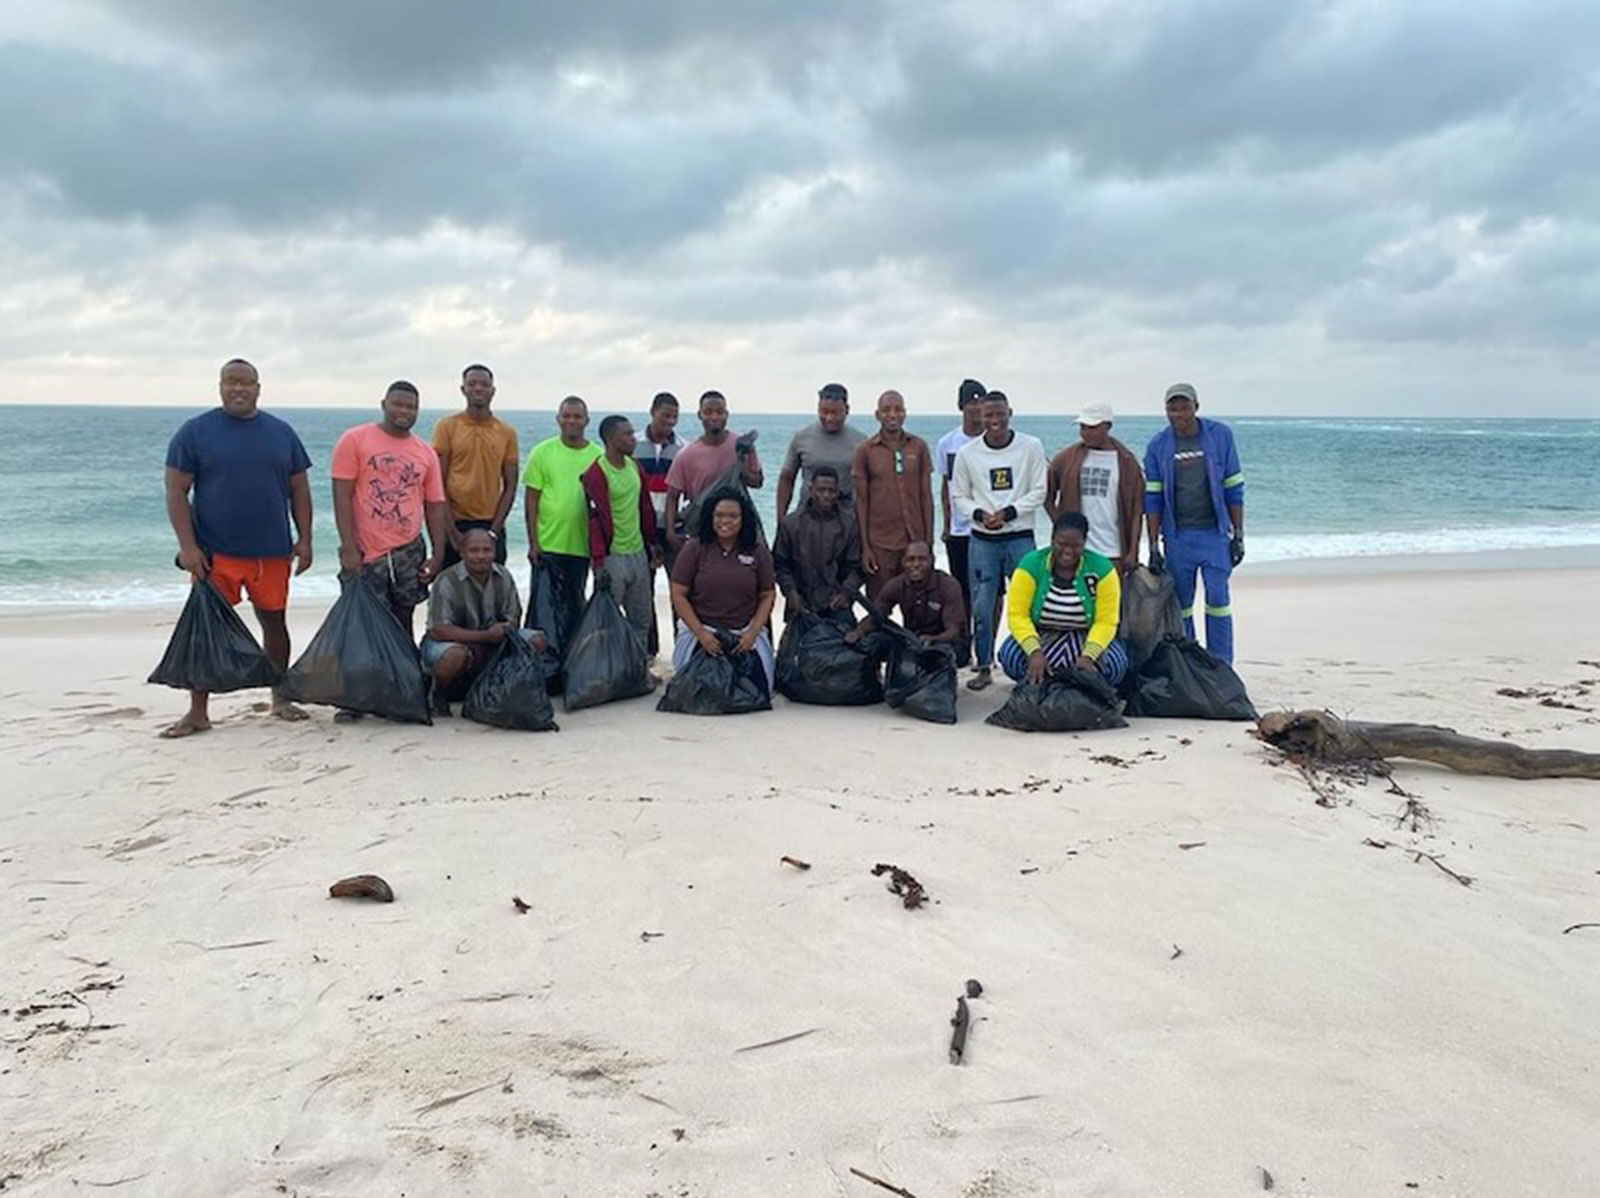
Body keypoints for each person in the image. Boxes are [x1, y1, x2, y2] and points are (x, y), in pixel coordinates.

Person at [160, 358, 314, 738]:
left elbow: (299, 489)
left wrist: (305, 538)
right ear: (220, 386)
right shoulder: (195, 432)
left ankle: (280, 697)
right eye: (232, 382)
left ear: (259, 388)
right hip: (216, 555)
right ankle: (198, 711)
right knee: (206, 630)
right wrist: (188, 547)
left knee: (274, 624)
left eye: (246, 382)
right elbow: (176, 490)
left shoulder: (281, 433)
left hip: (272, 553)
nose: (239, 389)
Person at [331, 379, 449, 631]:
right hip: (366, 551)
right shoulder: (354, 440)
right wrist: (349, 546)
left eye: (411, 407)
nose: (404, 411)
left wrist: (438, 554)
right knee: (365, 620)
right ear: (384, 405)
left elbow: (435, 504)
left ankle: (404, 669)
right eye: (397, 404)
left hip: (408, 550)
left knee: (403, 618)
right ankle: (369, 671)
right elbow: (341, 496)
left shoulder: (425, 452)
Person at [951, 390, 1048, 690]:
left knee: (1030, 603)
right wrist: (980, 515)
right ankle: (983, 665)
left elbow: (1039, 491)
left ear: (1010, 414)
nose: (994, 421)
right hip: (982, 539)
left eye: (999, 414)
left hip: (1019, 536)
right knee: (982, 605)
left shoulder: (1030, 446)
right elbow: (958, 496)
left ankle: (1031, 663)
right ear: (980, 417)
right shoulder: (968, 453)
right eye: (988, 415)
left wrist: (1008, 512)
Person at [1143, 382, 1245, 663]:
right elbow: (1152, 498)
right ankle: (1190, 661)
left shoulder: (1220, 436)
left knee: (1218, 600)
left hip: (1213, 535)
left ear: (1196, 407)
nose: (1178, 414)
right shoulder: (1157, 445)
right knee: (1182, 605)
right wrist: (1152, 545)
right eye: (1171, 408)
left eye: (1184, 407)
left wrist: (1238, 535)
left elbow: (1234, 486)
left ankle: (1221, 662)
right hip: (1178, 538)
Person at [420, 528, 546, 716]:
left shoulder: (504, 576)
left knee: (537, 639)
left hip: (492, 642)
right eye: (474, 550)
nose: (481, 556)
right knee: (454, 656)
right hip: (451, 645)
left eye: (486, 550)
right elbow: (438, 630)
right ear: (462, 552)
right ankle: (438, 694)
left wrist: (499, 634)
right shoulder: (446, 580)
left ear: (495, 552)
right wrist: (483, 636)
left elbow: (514, 618)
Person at [997, 512, 1130, 687]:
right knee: (1010, 657)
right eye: (1061, 544)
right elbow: (1017, 616)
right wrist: (1034, 652)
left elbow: (1106, 622)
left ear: (1084, 543)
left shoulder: (1103, 570)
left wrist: (1088, 656)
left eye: (1075, 546)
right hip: (1042, 634)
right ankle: (1047, 682)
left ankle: (1060, 684)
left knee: (1116, 666)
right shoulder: (1030, 565)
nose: (1067, 551)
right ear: (1052, 539)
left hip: (1085, 635)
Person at [670, 487, 777, 689]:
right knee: (697, 691)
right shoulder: (694, 548)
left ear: (743, 519)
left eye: (733, 516)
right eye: (719, 515)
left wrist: (752, 633)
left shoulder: (757, 551)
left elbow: (768, 594)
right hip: (702, 633)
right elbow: (678, 593)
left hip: (744, 634)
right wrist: (701, 634)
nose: (725, 521)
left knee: (756, 691)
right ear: (710, 517)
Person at [523, 396, 604, 640]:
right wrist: (533, 542)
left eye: (577, 416)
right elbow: (531, 501)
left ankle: (569, 660)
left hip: (581, 547)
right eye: (566, 416)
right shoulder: (542, 452)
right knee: (543, 610)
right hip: (548, 546)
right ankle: (544, 662)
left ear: (586, 421)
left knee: (574, 606)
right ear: (558, 419)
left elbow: (602, 507)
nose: (571, 421)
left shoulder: (598, 456)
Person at [580, 414, 660, 647]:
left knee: (641, 619)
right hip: (612, 556)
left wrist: (652, 544)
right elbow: (594, 520)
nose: (633, 439)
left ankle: (638, 669)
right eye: (627, 434)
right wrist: (598, 563)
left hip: (638, 554)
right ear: (610, 438)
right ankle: (610, 674)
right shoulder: (596, 473)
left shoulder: (635, 467)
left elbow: (644, 506)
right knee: (609, 620)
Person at [431, 363, 519, 568]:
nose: (478, 389)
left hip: (490, 521)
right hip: (455, 521)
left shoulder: (506, 432)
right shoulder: (447, 426)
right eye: (472, 384)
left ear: (493, 390)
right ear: (463, 389)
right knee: (450, 589)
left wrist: (495, 531)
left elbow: (510, 485)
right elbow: (437, 481)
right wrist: (451, 530)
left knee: (493, 590)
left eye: (484, 384)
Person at [852, 389, 934, 602]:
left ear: (905, 414)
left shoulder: (919, 446)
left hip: (914, 541)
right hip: (880, 544)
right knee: (879, 605)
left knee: (916, 605)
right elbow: (861, 501)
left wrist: (928, 540)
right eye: (886, 410)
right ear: (877, 415)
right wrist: (866, 547)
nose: (892, 415)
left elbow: (926, 495)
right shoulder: (865, 451)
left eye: (897, 410)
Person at [1045, 401, 1144, 573]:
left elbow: (1136, 511)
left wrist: (1133, 550)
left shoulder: (1127, 462)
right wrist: (1061, 526)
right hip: (1076, 550)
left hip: (1113, 550)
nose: (1086, 433)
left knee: (1113, 599)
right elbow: (1046, 495)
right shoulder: (1066, 458)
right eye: (1083, 427)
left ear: (1107, 426)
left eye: (1092, 427)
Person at [663, 390, 763, 553]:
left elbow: (757, 482)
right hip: (702, 527)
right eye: (708, 412)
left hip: (738, 526)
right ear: (699, 415)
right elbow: (673, 496)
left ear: (727, 415)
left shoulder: (742, 445)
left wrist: (740, 464)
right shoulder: (686, 455)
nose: (714, 417)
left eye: (719, 412)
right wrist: (670, 533)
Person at [846, 539, 968, 666]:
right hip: (913, 638)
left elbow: (954, 631)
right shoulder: (896, 585)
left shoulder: (948, 585)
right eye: (910, 560)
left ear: (932, 561)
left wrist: (933, 639)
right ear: (903, 562)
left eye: (922, 559)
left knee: (943, 654)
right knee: (871, 642)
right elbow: (876, 616)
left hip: (946, 642)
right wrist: (858, 632)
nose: (915, 565)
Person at [772, 465, 862, 623]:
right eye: (820, 490)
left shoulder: (850, 524)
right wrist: (791, 592)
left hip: (837, 604)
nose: (826, 495)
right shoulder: (791, 524)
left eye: (831, 491)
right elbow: (779, 564)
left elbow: (857, 566)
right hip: (800, 603)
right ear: (810, 489)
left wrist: (846, 593)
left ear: (837, 492)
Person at [634, 392, 685, 654]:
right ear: (652, 411)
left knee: (680, 591)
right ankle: (649, 651)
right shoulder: (633, 444)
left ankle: (682, 649)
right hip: (641, 530)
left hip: (673, 530)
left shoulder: (683, 449)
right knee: (644, 593)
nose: (670, 421)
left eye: (675, 416)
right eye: (666, 415)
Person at [936, 378, 987, 628]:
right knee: (961, 589)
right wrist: (946, 526)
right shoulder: (948, 444)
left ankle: (986, 647)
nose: (976, 408)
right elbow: (945, 487)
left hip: (989, 530)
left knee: (991, 591)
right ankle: (965, 640)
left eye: (980, 403)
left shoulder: (993, 440)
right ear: (961, 406)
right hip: (959, 529)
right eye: (970, 403)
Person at [776, 382, 866, 516]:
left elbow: (867, 487)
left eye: (835, 413)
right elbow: (786, 479)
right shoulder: (802, 438)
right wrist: (781, 520)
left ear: (847, 410)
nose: (829, 418)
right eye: (824, 412)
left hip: (846, 519)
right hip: (807, 516)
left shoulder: (860, 442)